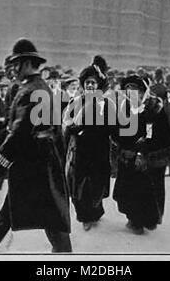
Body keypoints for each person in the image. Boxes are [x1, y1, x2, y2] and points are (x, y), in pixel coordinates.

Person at [0, 38, 71, 253]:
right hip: (41, 157)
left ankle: (64, 251)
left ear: (25, 63)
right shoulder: (39, 87)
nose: (13, 69)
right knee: (17, 199)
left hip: (34, 160)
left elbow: (20, 132)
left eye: (15, 64)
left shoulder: (30, 91)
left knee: (50, 209)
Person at [112, 75, 166, 234]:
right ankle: (133, 218)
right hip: (126, 155)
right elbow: (116, 131)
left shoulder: (152, 107)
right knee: (127, 190)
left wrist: (141, 152)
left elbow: (152, 134)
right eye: (127, 91)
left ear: (143, 91)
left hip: (145, 156)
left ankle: (141, 221)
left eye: (135, 91)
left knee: (143, 191)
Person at [63, 65, 115, 231]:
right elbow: (67, 124)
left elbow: (111, 127)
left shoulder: (106, 104)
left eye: (93, 83)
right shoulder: (75, 102)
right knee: (79, 187)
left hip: (98, 151)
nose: (90, 86)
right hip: (79, 151)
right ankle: (85, 216)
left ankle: (95, 211)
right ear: (83, 85)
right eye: (87, 83)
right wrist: (77, 129)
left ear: (98, 85)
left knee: (96, 185)